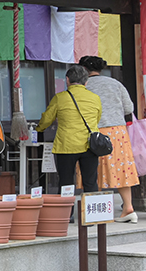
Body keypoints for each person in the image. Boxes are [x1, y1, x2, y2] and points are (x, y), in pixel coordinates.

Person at [80, 56, 141, 222]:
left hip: (94, 131)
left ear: (83, 69)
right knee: (122, 170)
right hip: (118, 131)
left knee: (94, 170)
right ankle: (128, 207)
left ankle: (97, 211)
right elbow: (129, 108)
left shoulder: (83, 86)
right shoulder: (115, 83)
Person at [39, 65, 104, 199]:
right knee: (90, 182)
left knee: (66, 182)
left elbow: (47, 119)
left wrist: (38, 129)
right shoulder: (95, 98)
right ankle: (91, 217)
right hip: (89, 145)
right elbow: (97, 119)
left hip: (66, 146)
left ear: (67, 80)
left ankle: (67, 215)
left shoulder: (60, 98)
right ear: (86, 82)